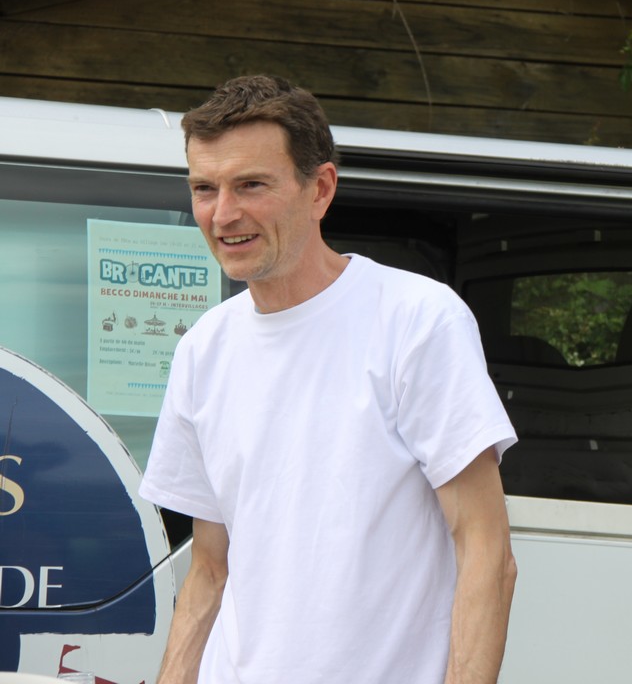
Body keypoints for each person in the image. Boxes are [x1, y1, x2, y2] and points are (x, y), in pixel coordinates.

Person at [138, 75, 518, 684]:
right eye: (205, 188)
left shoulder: (416, 320)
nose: (223, 214)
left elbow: (486, 553)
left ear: (320, 189)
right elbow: (210, 569)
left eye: (251, 185)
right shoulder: (202, 349)